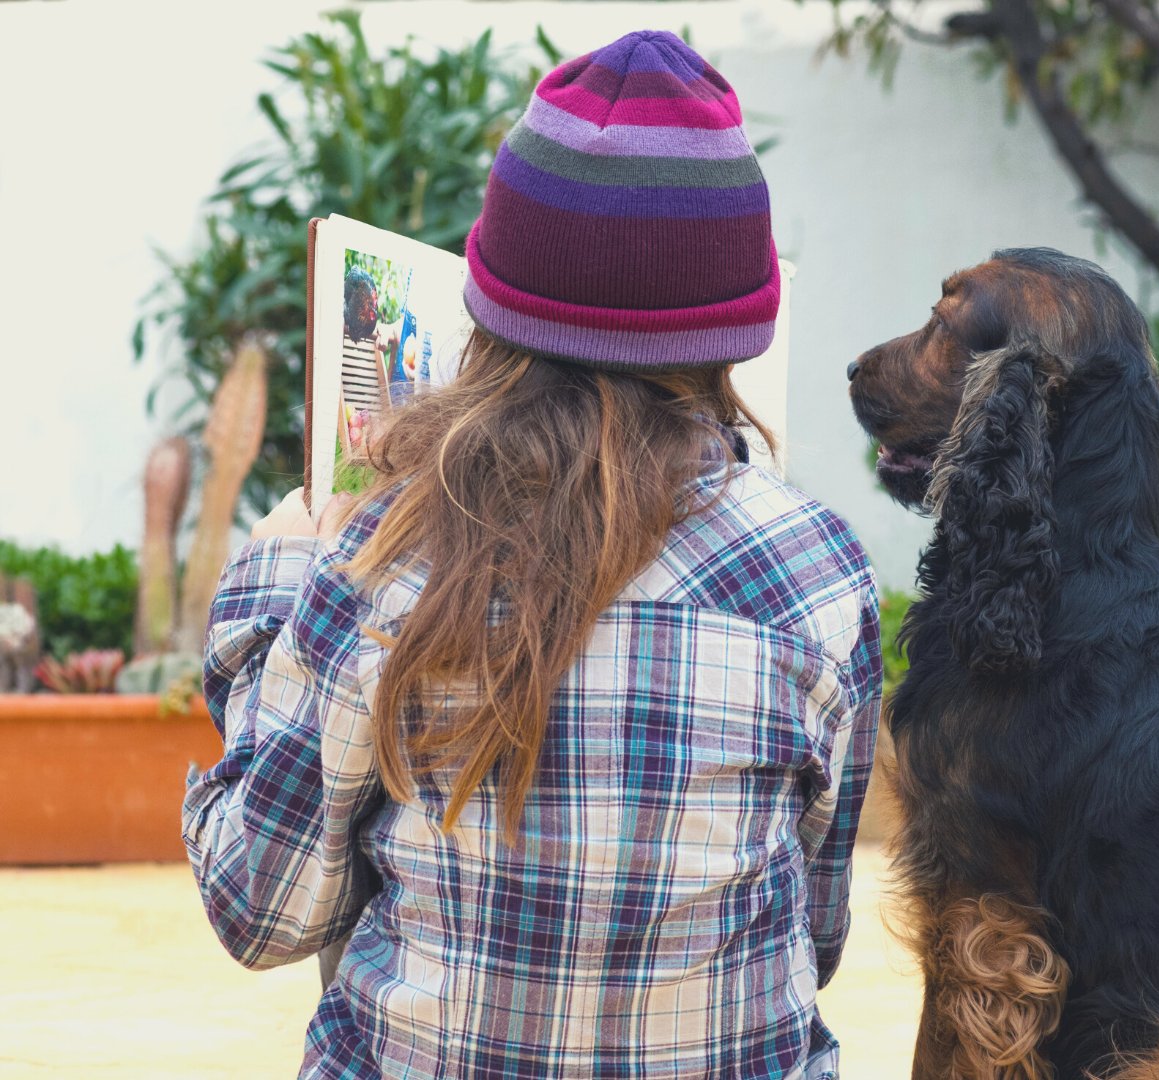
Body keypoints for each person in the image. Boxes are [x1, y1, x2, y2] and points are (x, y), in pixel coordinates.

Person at [182, 31, 880, 1079]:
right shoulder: (819, 572)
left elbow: (262, 908)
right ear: (737, 331)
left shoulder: (388, 551)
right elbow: (814, 934)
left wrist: (284, 575)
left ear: (490, 309)